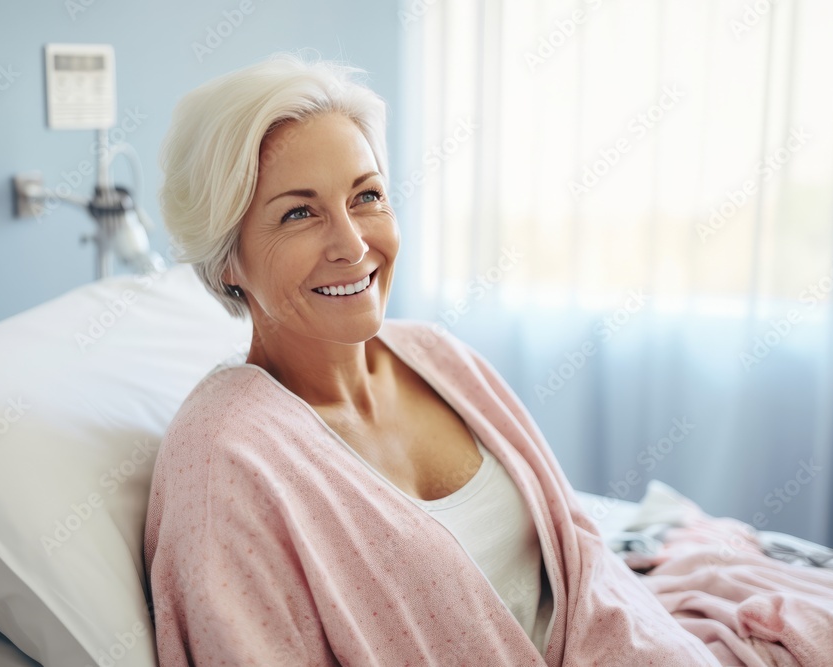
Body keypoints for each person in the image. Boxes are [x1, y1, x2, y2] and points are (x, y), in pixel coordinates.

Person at [143, 51, 721, 666]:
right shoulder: (224, 460)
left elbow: (579, 557)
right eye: (299, 213)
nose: (353, 245)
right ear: (227, 261)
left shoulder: (434, 356)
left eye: (366, 196)